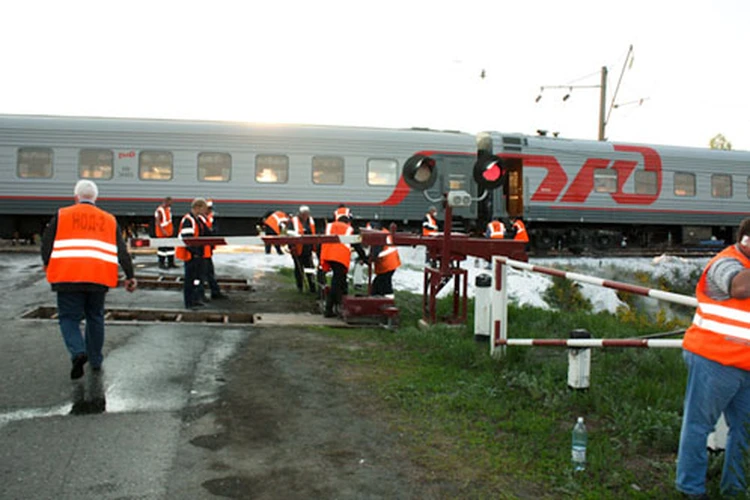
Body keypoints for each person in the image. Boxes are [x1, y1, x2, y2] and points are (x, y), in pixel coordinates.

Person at [675, 218, 750, 498]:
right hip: (713, 361)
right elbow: (740, 289)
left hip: (745, 365)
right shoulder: (725, 263)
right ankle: (690, 489)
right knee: (699, 426)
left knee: (745, 432)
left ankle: (735, 489)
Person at [41, 180, 137, 379]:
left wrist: (46, 264)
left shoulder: (62, 215)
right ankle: (95, 360)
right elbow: (122, 251)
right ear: (95, 198)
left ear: (76, 197)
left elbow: (46, 244)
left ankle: (78, 352)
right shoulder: (109, 219)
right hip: (99, 277)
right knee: (95, 316)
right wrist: (130, 275)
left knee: (69, 317)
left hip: (67, 276)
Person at [320, 213, 366, 318]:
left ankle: (338, 304)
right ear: (347, 222)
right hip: (339, 257)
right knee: (336, 283)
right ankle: (329, 308)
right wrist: (364, 257)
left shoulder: (329, 226)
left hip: (327, 254)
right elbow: (357, 245)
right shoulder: (349, 229)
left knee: (339, 280)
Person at [176, 198, 211, 309]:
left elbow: (206, 233)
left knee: (196, 278)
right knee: (190, 279)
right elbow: (188, 240)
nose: (206, 211)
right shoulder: (188, 220)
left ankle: (195, 298)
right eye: (204, 208)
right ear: (197, 207)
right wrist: (195, 253)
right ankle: (189, 302)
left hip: (197, 254)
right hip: (191, 255)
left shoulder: (198, 219)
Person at [198, 199, 227, 301]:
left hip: (207, 250)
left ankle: (214, 292)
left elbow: (212, 232)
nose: (210, 211)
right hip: (202, 251)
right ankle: (202, 295)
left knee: (208, 273)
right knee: (202, 275)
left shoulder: (207, 218)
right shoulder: (200, 219)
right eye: (208, 209)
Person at [289, 205, 317, 293]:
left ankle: (312, 288)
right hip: (297, 249)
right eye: (304, 214)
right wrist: (291, 247)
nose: (306, 216)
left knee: (310, 269)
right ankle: (300, 287)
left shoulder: (311, 221)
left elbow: (313, 233)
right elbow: (289, 234)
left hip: (308, 250)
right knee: (298, 270)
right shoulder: (293, 221)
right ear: (300, 214)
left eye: (307, 214)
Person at [368, 221, 401, 297]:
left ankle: (387, 300)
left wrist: (369, 259)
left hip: (387, 264)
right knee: (380, 283)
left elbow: (376, 252)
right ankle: (377, 298)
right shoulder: (383, 232)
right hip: (391, 262)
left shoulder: (378, 236)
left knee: (384, 283)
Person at [154, 196, 176, 269]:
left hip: (168, 232)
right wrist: (163, 231)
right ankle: (161, 264)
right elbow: (158, 222)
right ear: (166, 201)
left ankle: (171, 263)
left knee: (170, 248)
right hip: (162, 233)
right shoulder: (160, 210)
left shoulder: (168, 209)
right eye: (170, 202)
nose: (172, 203)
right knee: (162, 249)